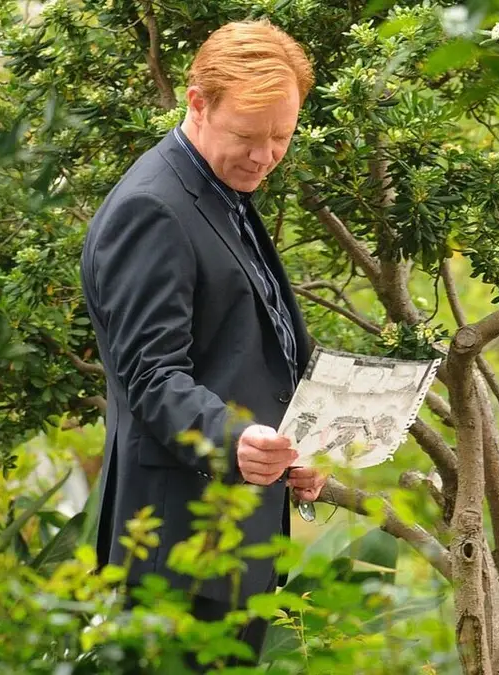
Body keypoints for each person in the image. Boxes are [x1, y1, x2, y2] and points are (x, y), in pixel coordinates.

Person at [79, 19, 326, 665]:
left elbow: (246, 352)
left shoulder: (221, 187)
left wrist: (303, 445)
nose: (264, 156)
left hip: (233, 542)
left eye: (281, 137)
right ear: (197, 102)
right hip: (177, 547)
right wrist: (236, 440)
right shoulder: (152, 209)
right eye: (247, 136)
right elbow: (152, 377)